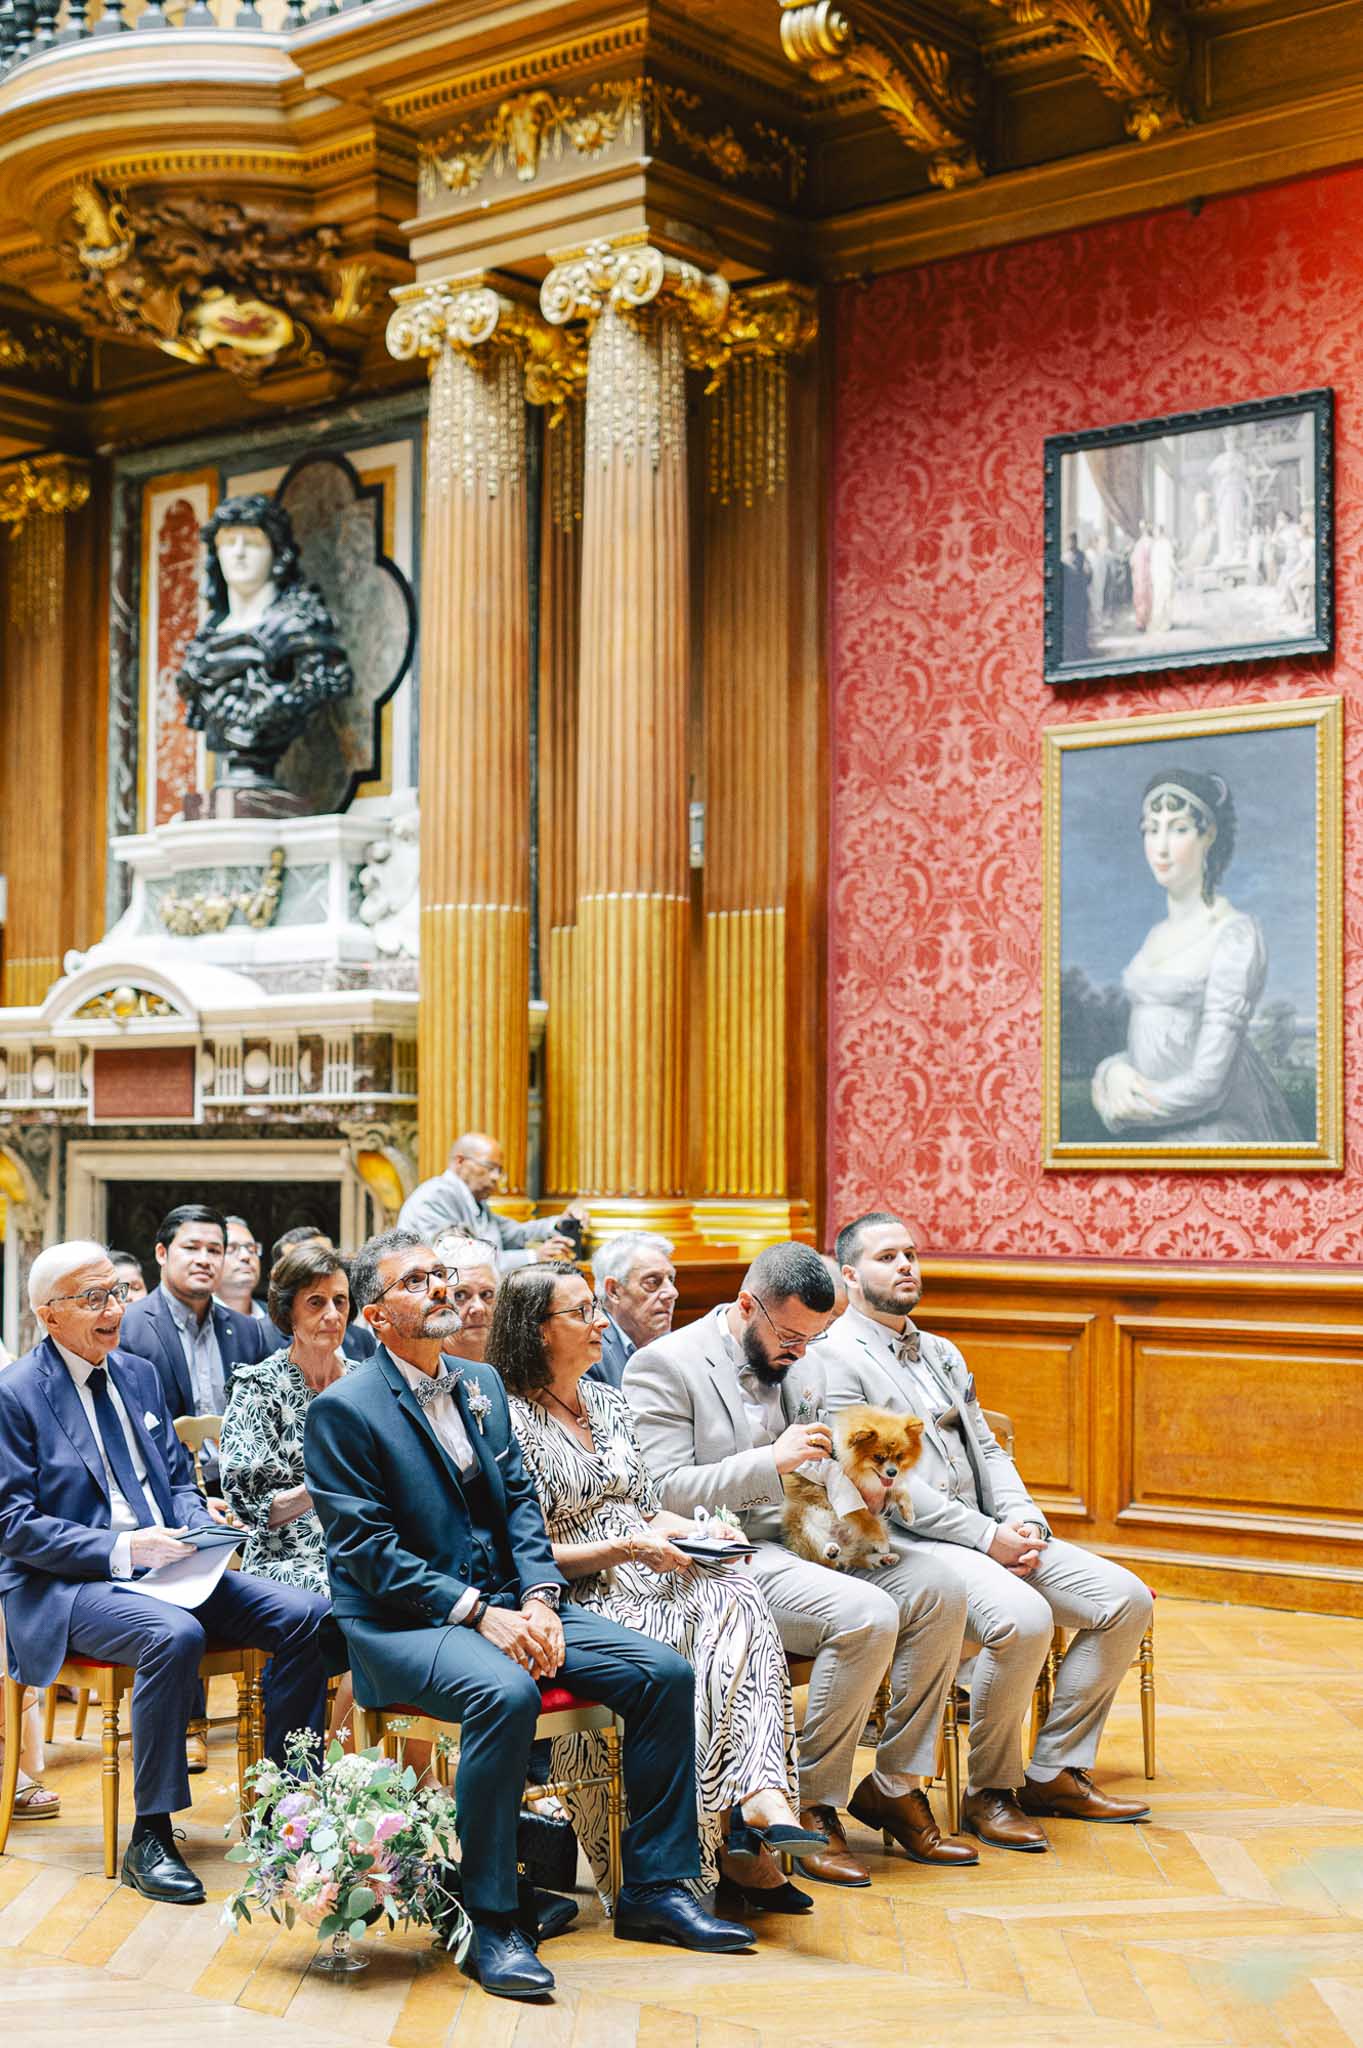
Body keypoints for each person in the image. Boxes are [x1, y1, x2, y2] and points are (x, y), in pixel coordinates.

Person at [303, 1228, 755, 2001]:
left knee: (661, 1672)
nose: (442, 1289)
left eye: (444, 1275)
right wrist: (481, 1611)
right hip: (402, 1625)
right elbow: (367, 1551)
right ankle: (491, 1918)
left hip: (509, 1604)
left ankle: (655, 1890)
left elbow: (518, 1507)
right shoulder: (344, 1410)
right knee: (503, 1693)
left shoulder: (478, 1384)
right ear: (375, 1318)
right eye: (418, 1281)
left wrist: (541, 1599)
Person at [625, 1241, 975, 1888]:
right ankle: (812, 1802)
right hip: (727, 1554)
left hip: (812, 1534)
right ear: (744, 1306)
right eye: (788, 1335)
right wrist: (771, 1463)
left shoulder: (803, 1366)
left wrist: (860, 1488)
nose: (801, 1353)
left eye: (813, 1337)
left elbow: (822, 1462)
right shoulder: (663, 1365)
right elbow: (658, 1491)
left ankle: (895, 1783)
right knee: (866, 1614)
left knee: (939, 1589)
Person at [0, 1241, 329, 1904]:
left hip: (171, 1567)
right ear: (47, 1314)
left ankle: (285, 1809)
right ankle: (151, 1835)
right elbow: (14, 1527)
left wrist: (192, 1524)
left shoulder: (138, 1373)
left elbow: (175, 1480)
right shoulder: (14, 1395)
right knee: (171, 1633)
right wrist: (125, 1551)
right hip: (68, 1584)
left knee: (309, 1617)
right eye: (91, 1298)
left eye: (116, 1293)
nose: (112, 1309)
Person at [823, 1214, 1153, 1851]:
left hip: (992, 1530)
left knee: (1124, 1600)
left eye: (911, 1254)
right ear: (849, 1275)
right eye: (886, 1256)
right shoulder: (835, 1359)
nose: (905, 1267)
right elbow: (884, 1482)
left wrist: (1023, 1518)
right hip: (916, 1544)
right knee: (1024, 1621)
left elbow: (988, 1452)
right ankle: (989, 1791)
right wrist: (985, 1538)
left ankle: (1052, 1770)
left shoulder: (942, 1351)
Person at [497, 1264, 817, 1918]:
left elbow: (644, 1507)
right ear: (535, 1330)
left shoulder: (608, 1400)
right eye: (581, 1313)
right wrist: (629, 1547)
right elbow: (520, 1551)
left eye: (594, 1309)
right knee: (712, 1626)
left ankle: (752, 1800)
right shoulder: (506, 1420)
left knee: (734, 1581)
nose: (599, 1325)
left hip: (648, 1560)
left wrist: (704, 1534)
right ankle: (732, 1832)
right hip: (578, 1585)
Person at [1091, 769, 1298, 1144]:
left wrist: (1118, 1107)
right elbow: (1162, 1042)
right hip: (1156, 1131)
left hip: (1209, 1136)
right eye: (1152, 829)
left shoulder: (1234, 936)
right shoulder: (1155, 936)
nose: (1161, 847)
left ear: (1209, 835)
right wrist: (1112, 1072)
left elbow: (1208, 1086)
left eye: (1179, 828)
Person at [219, 1241, 356, 1594]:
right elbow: (252, 1512)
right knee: (351, 1594)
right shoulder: (257, 1387)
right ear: (288, 1312)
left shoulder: (365, 1385)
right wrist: (322, 1483)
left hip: (363, 1547)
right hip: (286, 1557)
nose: (332, 1314)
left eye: (339, 1301)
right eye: (316, 1302)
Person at [119, 1203, 271, 1425]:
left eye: (214, 1250)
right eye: (191, 1248)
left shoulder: (248, 1331)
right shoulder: (127, 1327)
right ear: (162, 1253)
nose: (204, 1260)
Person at [398, 1132, 587, 1272]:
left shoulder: (474, 1201)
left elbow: (514, 1233)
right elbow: (459, 1260)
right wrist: (534, 1256)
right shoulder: (435, 1197)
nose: (496, 1177)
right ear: (460, 1162)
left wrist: (560, 1222)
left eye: (499, 1170)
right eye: (489, 1168)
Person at [261, 1227, 377, 1363]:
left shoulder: (362, 1339)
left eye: (339, 1301)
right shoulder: (261, 1337)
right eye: (316, 1302)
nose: (325, 1267)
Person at [587, 1232, 678, 1389]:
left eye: (670, 1279)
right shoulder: (588, 1354)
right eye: (652, 1282)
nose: (672, 1293)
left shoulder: (678, 1346)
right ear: (614, 1290)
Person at [433, 1234, 500, 1363]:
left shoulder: (515, 1363)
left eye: (487, 1294)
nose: (478, 1308)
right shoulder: (426, 1369)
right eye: (461, 1296)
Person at [218, 1217, 268, 1323]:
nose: (246, 1256)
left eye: (252, 1249)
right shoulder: (198, 1318)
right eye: (231, 1249)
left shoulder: (278, 1319)